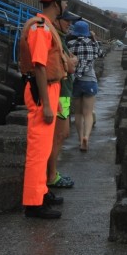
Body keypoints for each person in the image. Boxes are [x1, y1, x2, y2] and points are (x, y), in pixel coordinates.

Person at [18, 0, 75, 219]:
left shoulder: (46, 25)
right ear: (56, 1)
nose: (67, 3)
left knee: (44, 147)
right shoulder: (40, 28)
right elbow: (40, 67)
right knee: (38, 150)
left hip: (50, 89)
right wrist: (48, 104)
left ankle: (41, 192)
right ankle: (33, 204)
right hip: (42, 91)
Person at [47, 10, 80, 189]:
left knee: (62, 134)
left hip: (63, 93)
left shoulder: (60, 38)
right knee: (59, 135)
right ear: (58, 20)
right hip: (60, 94)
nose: (69, 24)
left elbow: (70, 63)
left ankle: (52, 173)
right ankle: (51, 175)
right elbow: (71, 66)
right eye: (67, 20)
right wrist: (72, 62)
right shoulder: (57, 38)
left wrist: (71, 62)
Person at [67, 20, 104, 152]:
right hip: (90, 81)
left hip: (75, 81)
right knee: (88, 113)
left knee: (78, 113)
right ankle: (86, 137)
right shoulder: (93, 44)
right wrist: (94, 38)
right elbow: (101, 54)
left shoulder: (70, 44)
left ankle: (79, 138)